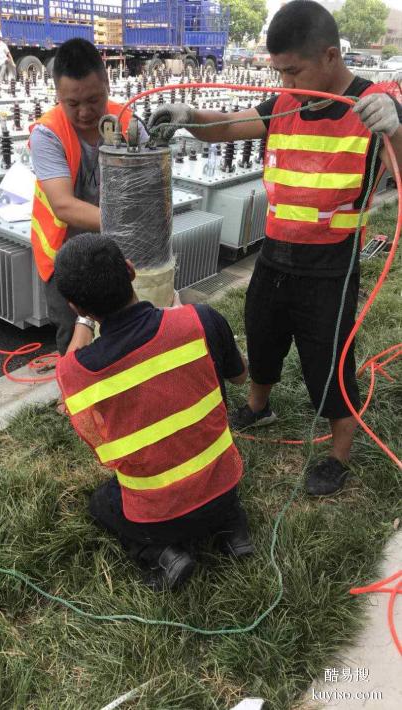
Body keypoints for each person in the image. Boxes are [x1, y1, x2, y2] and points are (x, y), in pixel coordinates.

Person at [149, 0, 402, 496]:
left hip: (330, 266)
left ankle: (337, 454)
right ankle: (259, 407)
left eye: (294, 70)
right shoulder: (289, 102)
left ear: (330, 56)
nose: (286, 83)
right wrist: (186, 116)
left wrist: (397, 126)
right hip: (275, 255)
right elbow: (228, 126)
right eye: (280, 71)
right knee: (262, 336)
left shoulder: (370, 109)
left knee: (327, 361)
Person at [54, 233, 252, 590]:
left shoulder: (76, 374)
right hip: (223, 486)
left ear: (76, 308)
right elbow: (240, 379)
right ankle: (231, 529)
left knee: (102, 502)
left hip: (157, 516)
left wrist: (82, 325)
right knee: (212, 486)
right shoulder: (201, 320)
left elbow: (102, 447)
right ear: (131, 271)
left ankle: (162, 554)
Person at [29, 39, 146, 355]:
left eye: (94, 100)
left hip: (114, 251)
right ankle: (73, 397)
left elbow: (148, 184)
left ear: (108, 84)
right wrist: (128, 225)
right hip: (64, 255)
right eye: (72, 103)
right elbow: (63, 205)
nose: (84, 112)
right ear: (58, 95)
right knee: (73, 330)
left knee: (124, 323)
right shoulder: (47, 133)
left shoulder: (128, 122)